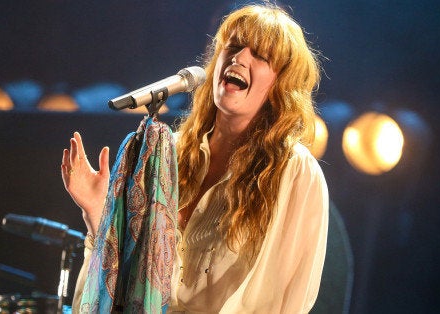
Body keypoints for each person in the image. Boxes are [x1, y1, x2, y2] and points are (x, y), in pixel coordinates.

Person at [61, 3, 329, 313]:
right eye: (234, 46)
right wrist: (99, 216)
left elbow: (283, 301)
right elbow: (121, 286)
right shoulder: (164, 154)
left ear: (280, 84)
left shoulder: (293, 170)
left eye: (260, 55)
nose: (239, 57)